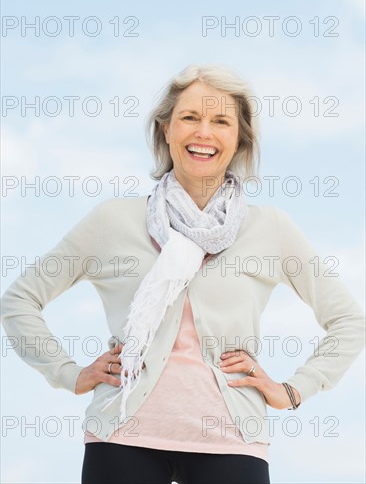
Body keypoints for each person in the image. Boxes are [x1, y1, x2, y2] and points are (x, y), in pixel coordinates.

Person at [1, 64, 365, 484]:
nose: (203, 133)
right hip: (121, 436)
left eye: (221, 121)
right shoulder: (113, 220)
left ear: (240, 138)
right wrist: (69, 373)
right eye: (190, 118)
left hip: (231, 442)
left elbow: (349, 322)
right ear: (166, 130)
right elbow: (19, 300)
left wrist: (294, 390)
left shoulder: (271, 229)